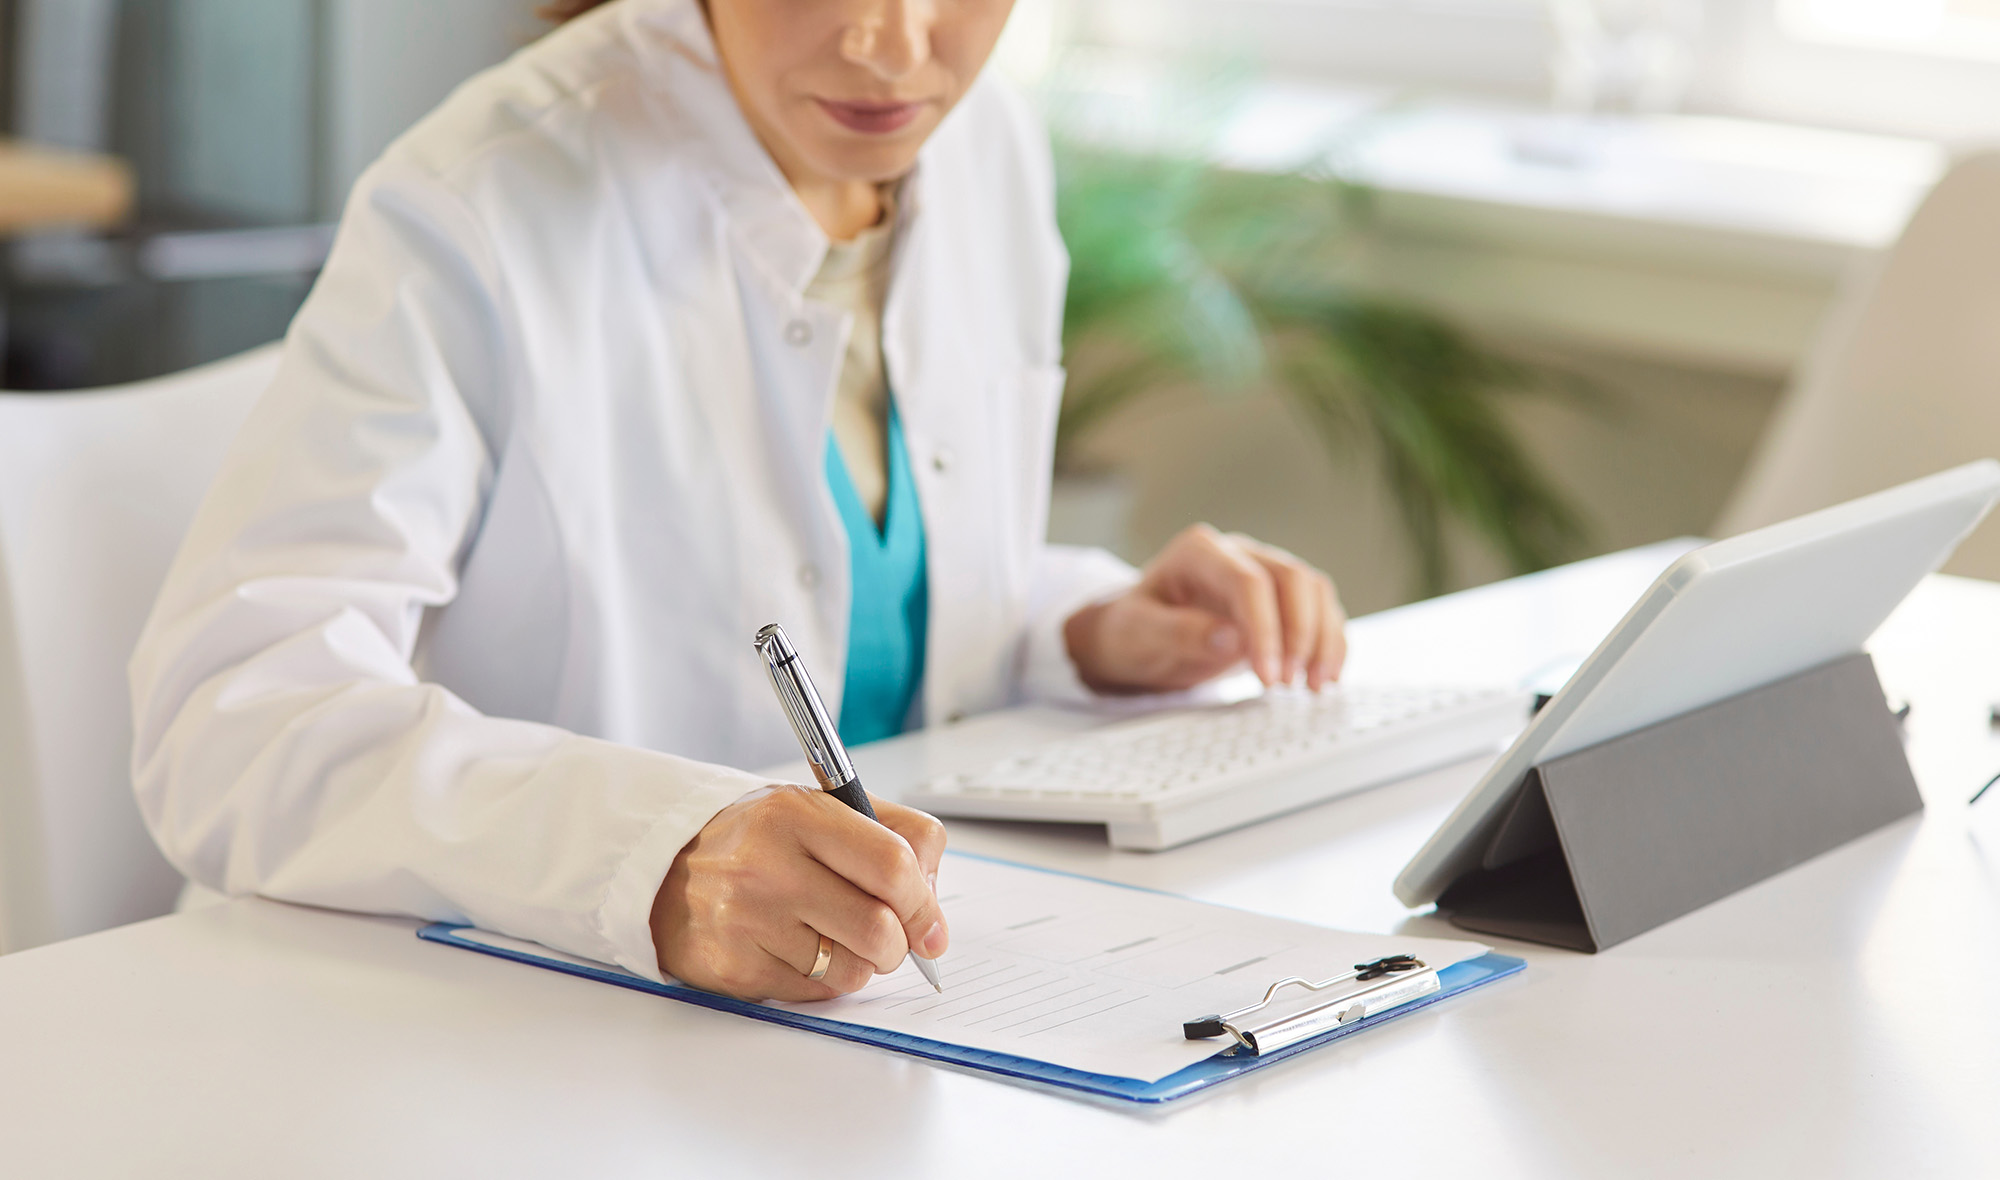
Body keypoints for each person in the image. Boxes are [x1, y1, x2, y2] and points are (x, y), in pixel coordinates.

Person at [129, 0, 1347, 1004]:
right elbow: (232, 725)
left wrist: (1082, 625)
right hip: (444, 1032)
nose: (890, 42)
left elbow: (861, 582)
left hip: (846, 1048)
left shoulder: (983, 151)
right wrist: (649, 855)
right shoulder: (480, 197)